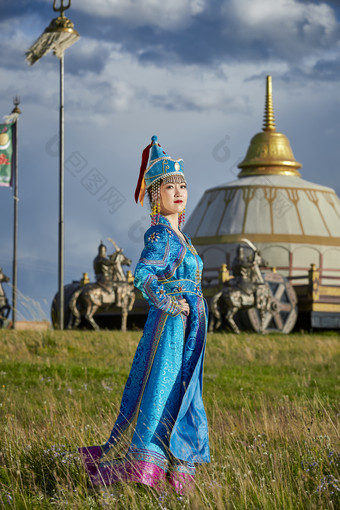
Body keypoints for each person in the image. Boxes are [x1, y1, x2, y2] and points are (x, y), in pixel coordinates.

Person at [78, 135, 210, 494]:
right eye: (170, 186)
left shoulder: (182, 237)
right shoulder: (161, 236)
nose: (179, 191)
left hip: (188, 329)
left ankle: (173, 474)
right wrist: (170, 304)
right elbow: (144, 275)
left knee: (182, 394)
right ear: (155, 194)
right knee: (161, 390)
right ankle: (137, 470)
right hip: (170, 328)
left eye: (183, 185)